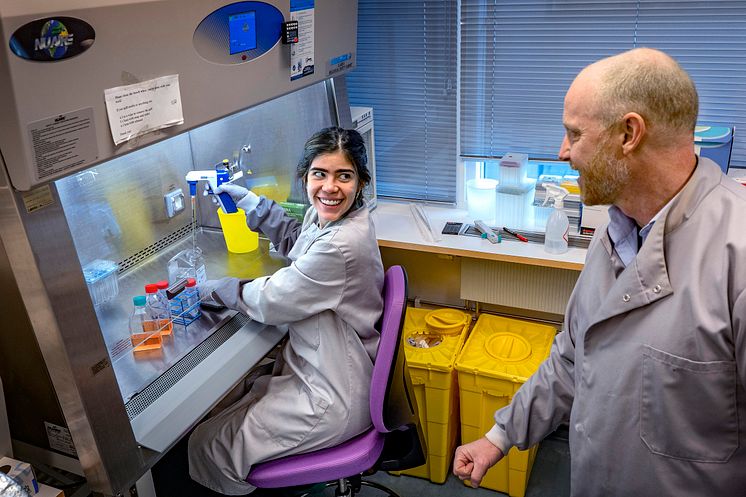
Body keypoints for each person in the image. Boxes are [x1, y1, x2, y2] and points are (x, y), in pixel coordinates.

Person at [453, 48, 746, 496]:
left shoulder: (736, 253)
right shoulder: (616, 232)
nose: (563, 152)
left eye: (574, 133)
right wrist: (499, 437)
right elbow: (572, 360)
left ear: (629, 133)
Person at [188, 127, 384, 495]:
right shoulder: (337, 217)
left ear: (361, 183)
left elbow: (271, 300)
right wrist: (255, 207)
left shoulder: (342, 244)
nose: (329, 187)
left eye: (345, 176)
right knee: (221, 416)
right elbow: (299, 242)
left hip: (330, 395)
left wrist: (212, 288)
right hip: (325, 367)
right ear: (306, 176)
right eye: (319, 174)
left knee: (210, 444)